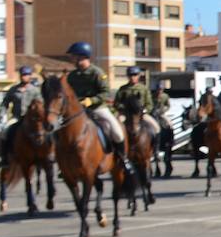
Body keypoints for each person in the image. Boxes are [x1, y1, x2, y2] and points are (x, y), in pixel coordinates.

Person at [65, 42, 132, 171]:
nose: (72, 59)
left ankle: (123, 159)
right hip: (78, 111)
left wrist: (91, 100)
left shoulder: (97, 73)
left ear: (83, 57)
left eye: (74, 56)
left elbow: (105, 92)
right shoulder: (72, 76)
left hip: (97, 108)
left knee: (117, 131)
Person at [0, 65, 42, 163]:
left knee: (45, 134)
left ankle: (45, 156)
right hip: (17, 118)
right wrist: (2, 114)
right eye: (23, 75)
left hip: (32, 119)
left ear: (30, 76)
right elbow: (5, 103)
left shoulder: (35, 90)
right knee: (5, 133)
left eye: (26, 75)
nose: (24, 77)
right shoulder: (14, 89)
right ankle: (4, 157)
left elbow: (41, 104)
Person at [113, 66, 160, 139]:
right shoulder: (123, 89)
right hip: (126, 115)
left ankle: (155, 149)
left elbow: (149, 104)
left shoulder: (144, 88)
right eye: (130, 75)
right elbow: (116, 103)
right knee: (116, 128)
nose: (132, 77)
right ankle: (119, 149)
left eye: (135, 75)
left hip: (141, 114)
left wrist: (144, 110)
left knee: (156, 128)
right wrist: (123, 108)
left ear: (138, 76)